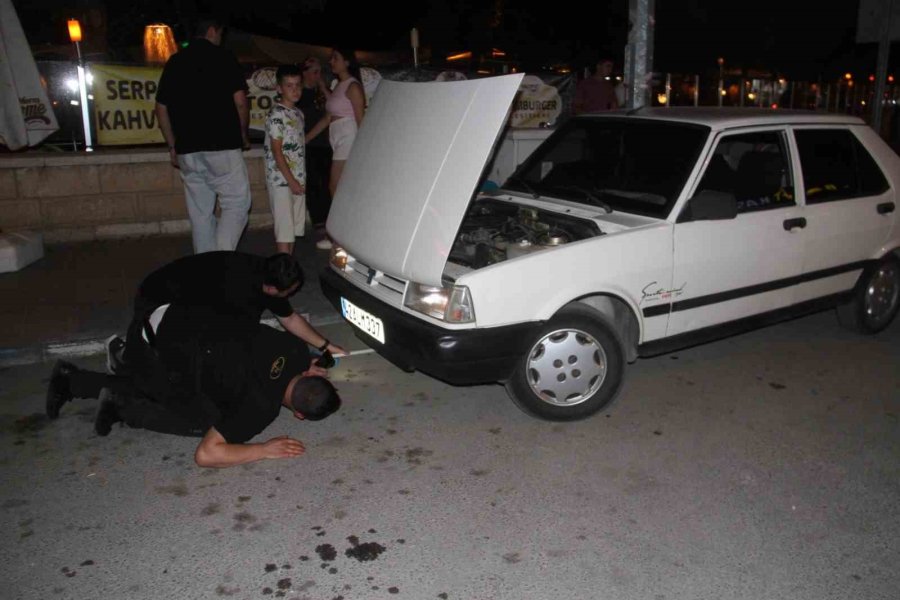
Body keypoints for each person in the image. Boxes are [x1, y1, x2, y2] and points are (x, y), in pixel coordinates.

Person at [46, 306, 341, 468]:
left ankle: (75, 381)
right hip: (160, 350)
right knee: (205, 421)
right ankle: (121, 403)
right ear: (299, 415)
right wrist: (263, 450)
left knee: (205, 386)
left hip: (176, 317)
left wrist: (306, 362)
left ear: (311, 374)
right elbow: (206, 455)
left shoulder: (295, 349)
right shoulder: (259, 410)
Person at [155, 15, 252, 254]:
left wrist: (172, 146)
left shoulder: (175, 61)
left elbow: (161, 108)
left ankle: (204, 264)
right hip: (222, 145)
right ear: (211, 31)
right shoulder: (224, 57)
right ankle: (221, 257)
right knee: (237, 203)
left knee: (200, 213)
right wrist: (242, 134)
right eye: (220, 34)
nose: (221, 39)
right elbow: (240, 102)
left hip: (188, 150)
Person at [306, 48, 365, 223]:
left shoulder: (353, 86)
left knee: (335, 186)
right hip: (338, 137)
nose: (331, 61)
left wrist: (363, 150)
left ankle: (340, 228)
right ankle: (345, 227)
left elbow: (361, 120)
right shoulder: (339, 85)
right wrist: (306, 138)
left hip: (348, 136)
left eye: (335, 58)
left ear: (346, 62)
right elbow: (328, 117)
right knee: (342, 187)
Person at [265, 64, 307, 256]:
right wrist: (291, 181)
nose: (295, 90)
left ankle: (288, 264)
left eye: (298, 85)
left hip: (297, 178)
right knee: (284, 229)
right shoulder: (277, 114)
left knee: (293, 229)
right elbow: (277, 151)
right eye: (289, 86)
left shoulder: (298, 114)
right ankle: (283, 268)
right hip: (281, 180)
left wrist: (298, 180)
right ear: (279, 88)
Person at [298, 57, 335, 250]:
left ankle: (329, 219)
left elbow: (334, 107)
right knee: (313, 182)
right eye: (314, 71)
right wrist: (305, 139)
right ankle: (318, 220)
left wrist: (322, 86)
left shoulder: (321, 92)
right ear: (304, 72)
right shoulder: (299, 93)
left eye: (320, 71)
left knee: (328, 182)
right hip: (308, 144)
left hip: (325, 144)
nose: (318, 75)